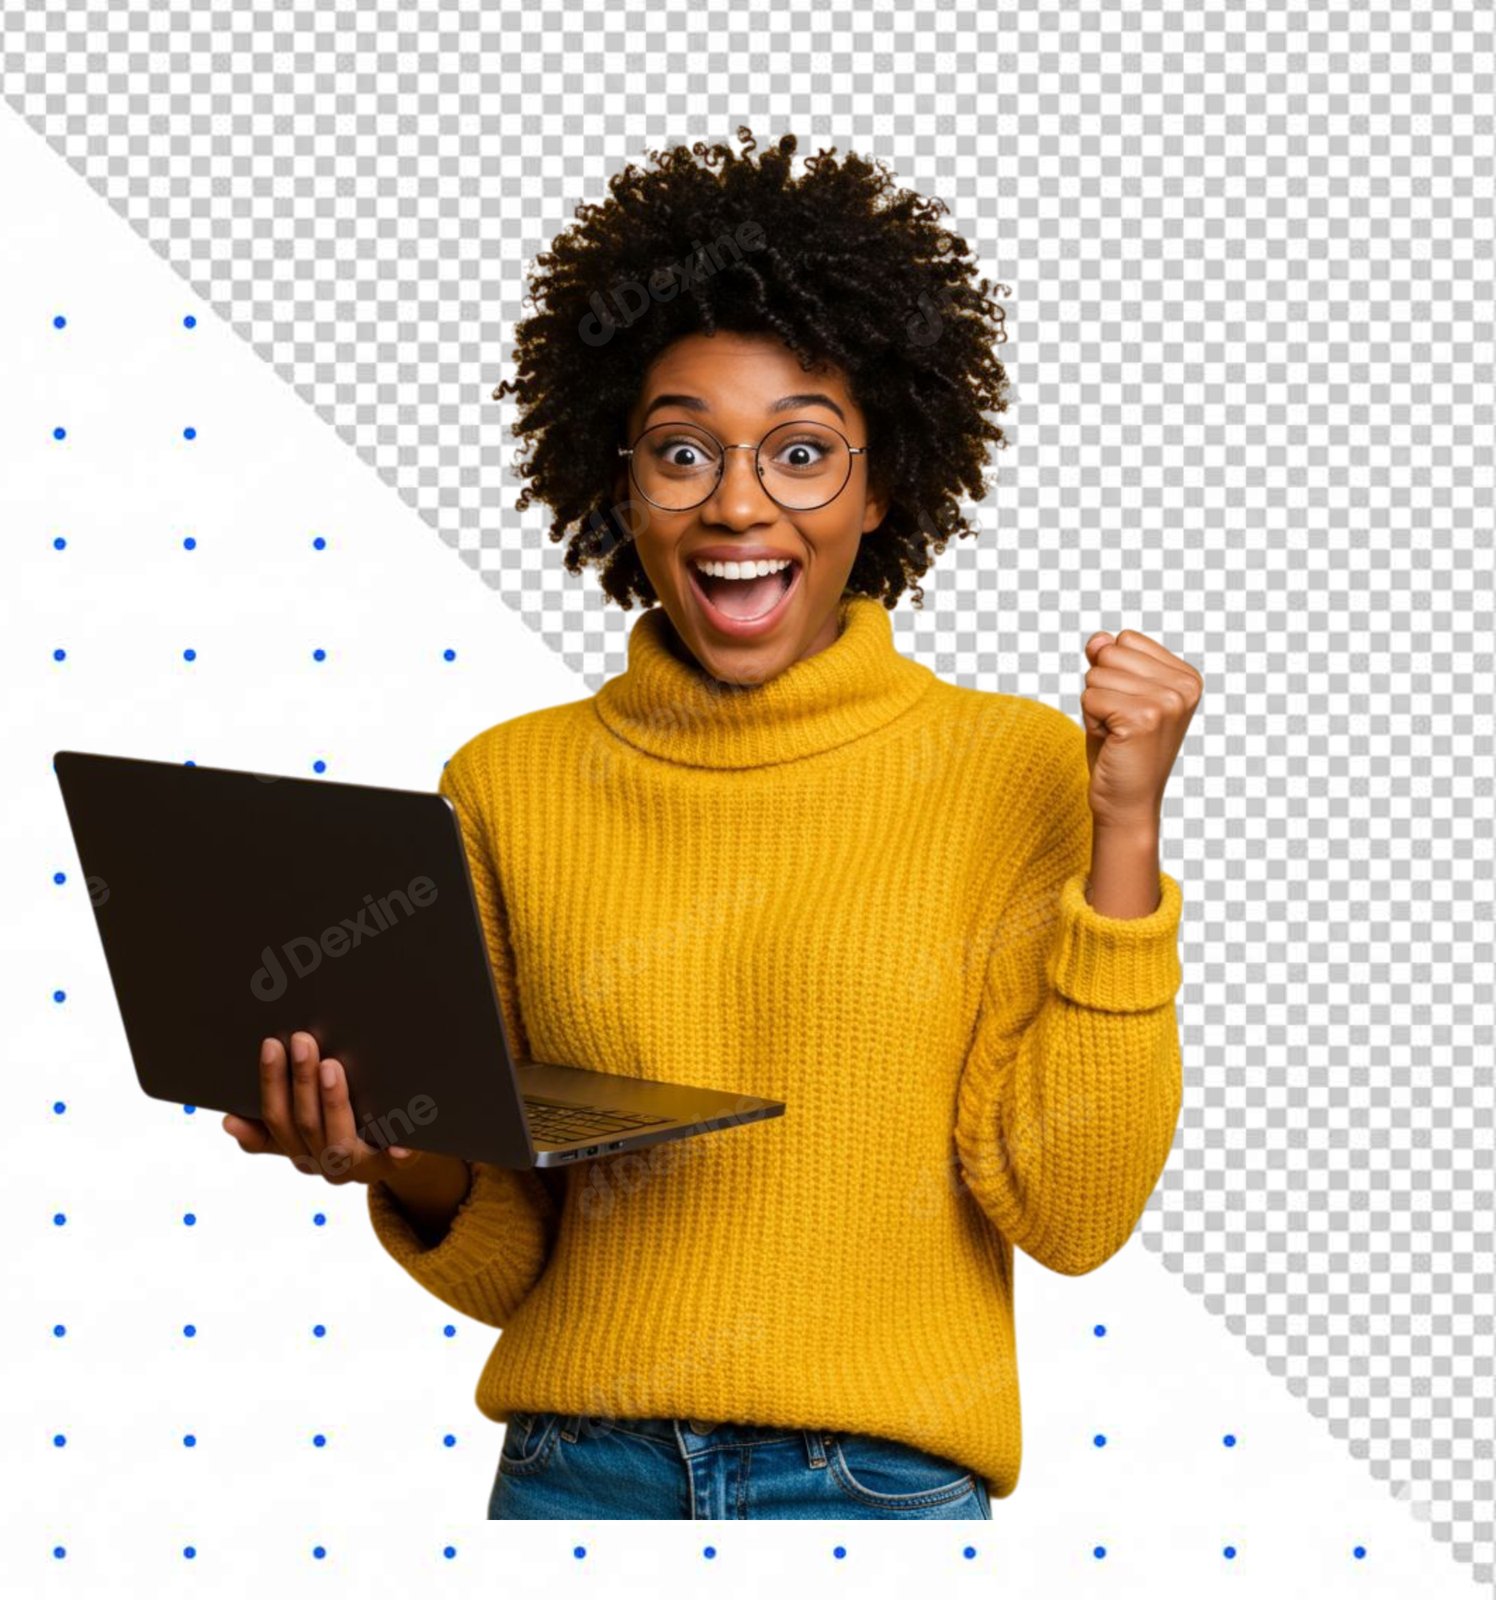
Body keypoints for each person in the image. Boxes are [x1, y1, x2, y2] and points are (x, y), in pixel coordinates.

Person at [222, 128, 1198, 1520]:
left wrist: (1123, 833)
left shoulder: (1010, 770)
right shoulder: (508, 785)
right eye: (683, 450)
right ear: (619, 481)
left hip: (872, 1486)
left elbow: (1073, 1213)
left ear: (883, 484)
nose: (738, 503)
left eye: (802, 451)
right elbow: (509, 1255)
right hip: (573, 1472)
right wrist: (393, 1153)